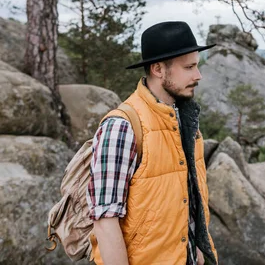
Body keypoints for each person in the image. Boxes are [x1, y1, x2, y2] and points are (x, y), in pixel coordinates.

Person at [86, 21, 218, 265]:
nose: (198, 75)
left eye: (196, 66)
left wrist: (197, 247)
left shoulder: (186, 120)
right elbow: (105, 221)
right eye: (189, 67)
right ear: (158, 69)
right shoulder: (122, 125)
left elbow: (188, 197)